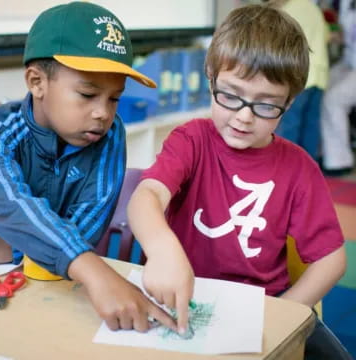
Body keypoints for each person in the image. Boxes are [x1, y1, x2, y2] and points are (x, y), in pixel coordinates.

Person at [0, 1, 177, 333]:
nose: (104, 113)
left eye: (114, 98)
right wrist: (94, 272)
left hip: (49, 276)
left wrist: (3, 249)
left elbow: (87, 227)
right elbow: (11, 206)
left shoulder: (109, 134)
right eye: (88, 94)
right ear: (36, 82)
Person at [128, 4, 351, 358]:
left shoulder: (299, 168)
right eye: (230, 95)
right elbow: (146, 197)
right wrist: (163, 250)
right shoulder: (191, 141)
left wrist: (285, 312)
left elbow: (332, 260)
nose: (244, 117)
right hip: (186, 300)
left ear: (289, 102)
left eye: (266, 105)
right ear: (211, 76)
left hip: (263, 305)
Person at [268, 0, 330, 162]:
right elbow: (327, 36)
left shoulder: (288, 11)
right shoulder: (313, 8)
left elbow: (278, 44)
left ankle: (286, 170)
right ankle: (309, 170)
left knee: (289, 125)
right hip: (319, 75)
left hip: (298, 75)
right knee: (311, 126)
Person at [320, 0, 356, 176]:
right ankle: (324, 152)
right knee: (321, 88)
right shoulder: (345, 3)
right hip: (349, 61)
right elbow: (344, 33)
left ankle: (340, 161)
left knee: (334, 99)